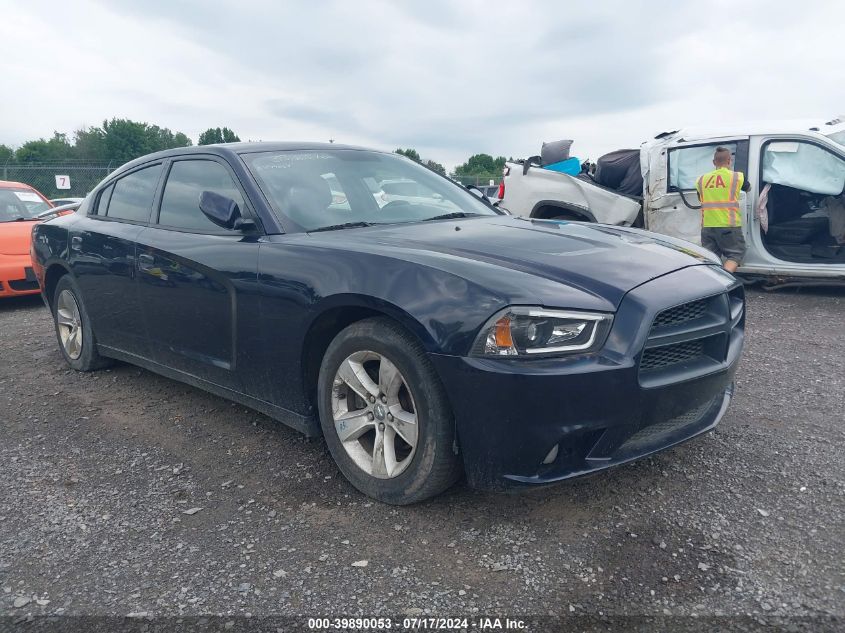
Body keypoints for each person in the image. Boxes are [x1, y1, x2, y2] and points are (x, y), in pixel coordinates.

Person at [695, 147, 751, 273]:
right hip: (728, 225)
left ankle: (712, 281)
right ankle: (724, 280)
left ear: (714, 162)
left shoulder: (701, 179)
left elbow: (700, 198)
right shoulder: (737, 177)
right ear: (729, 161)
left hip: (707, 227)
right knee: (735, 254)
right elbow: (748, 188)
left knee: (711, 257)